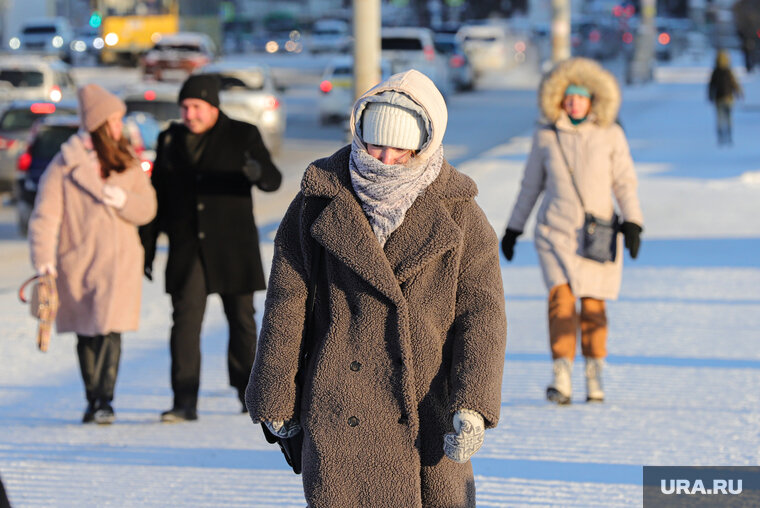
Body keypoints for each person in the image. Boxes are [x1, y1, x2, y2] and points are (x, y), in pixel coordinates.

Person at [246, 69, 507, 507]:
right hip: (338, 405)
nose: (383, 157)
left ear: (424, 144)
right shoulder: (318, 201)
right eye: (373, 143)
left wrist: (474, 403)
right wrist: (276, 395)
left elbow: (482, 316)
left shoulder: (461, 215)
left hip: (428, 409)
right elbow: (286, 303)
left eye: (399, 147)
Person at [140, 74, 282, 423]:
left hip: (233, 246)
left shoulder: (242, 134)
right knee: (185, 325)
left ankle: (249, 395)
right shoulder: (170, 138)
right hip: (188, 251)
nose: (189, 114)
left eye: (196, 107)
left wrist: (256, 171)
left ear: (212, 105)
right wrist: (146, 248)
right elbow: (156, 197)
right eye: (185, 107)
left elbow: (273, 180)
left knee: (242, 322)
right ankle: (184, 400)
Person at [501, 57, 643, 405]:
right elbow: (530, 185)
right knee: (560, 302)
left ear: (594, 99)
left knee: (593, 306)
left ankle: (594, 373)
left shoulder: (611, 134)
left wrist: (634, 221)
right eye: (569, 95)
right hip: (555, 233)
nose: (574, 102)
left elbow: (624, 182)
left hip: (598, 236)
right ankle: (561, 374)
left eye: (581, 96)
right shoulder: (546, 135)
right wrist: (513, 228)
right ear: (558, 98)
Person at [28, 84, 157, 424]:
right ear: (101, 123)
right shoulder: (64, 166)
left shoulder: (127, 160)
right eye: (115, 120)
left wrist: (123, 201)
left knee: (111, 330)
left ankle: (105, 400)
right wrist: (44, 261)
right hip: (79, 262)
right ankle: (93, 397)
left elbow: (148, 208)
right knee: (88, 332)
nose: (120, 126)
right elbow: (45, 217)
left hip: (120, 262)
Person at [708, 50, 743, 146]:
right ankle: (729, 135)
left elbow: (711, 85)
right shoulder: (729, 71)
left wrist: (710, 96)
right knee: (728, 118)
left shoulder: (715, 72)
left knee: (720, 119)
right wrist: (739, 93)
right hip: (729, 98)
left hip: (718, 99)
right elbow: (734, 83)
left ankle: (720, 136)